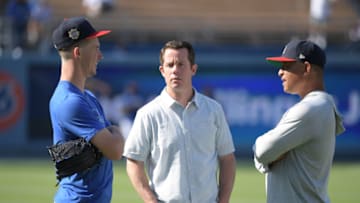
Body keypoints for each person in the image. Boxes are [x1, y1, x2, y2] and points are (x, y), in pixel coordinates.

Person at [123, 40, 236, 203]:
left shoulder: (213, 110)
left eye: (181, 64)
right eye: (170, 65)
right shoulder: (148, 114)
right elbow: (134, 162)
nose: (175, 70)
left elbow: (227, 158)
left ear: (193, 69)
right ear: (162, 70)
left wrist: (223, 200)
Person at [253, 39, 345, 203]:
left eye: (287, 66)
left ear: (307, 68)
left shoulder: (312, 108)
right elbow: (265, 155)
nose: (280, 72)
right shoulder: (319, 105)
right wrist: (267, 159)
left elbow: (262, 151)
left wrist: (264, 155)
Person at [49, 16, 124, 203]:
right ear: (78, 53)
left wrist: (112, 136)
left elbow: (112, 144)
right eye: (96, 48)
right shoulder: (69, 101)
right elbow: (115, 150)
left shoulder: (87, 96)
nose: (100, 55)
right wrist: (116, 132)